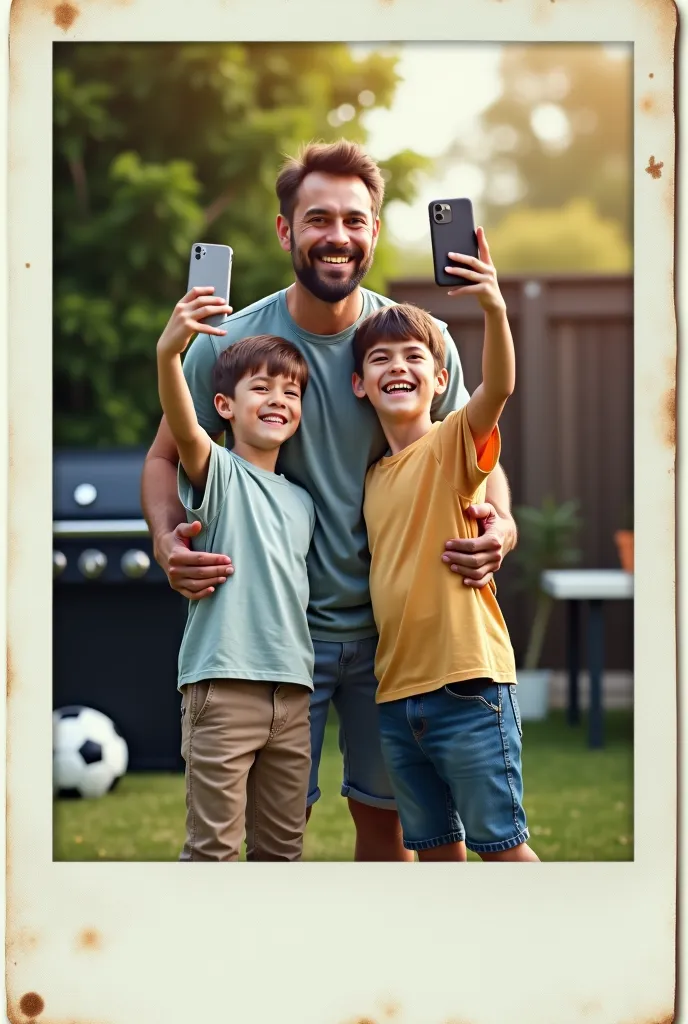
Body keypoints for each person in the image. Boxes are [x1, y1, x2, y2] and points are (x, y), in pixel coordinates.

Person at [141, 139, 519, 862]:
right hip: (276, 641)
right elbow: (165, 458)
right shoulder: (230, 340)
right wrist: (167, 538)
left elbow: (472, 454)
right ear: (287, 231)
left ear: (374, 231)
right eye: (318, 219)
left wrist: (498, 523)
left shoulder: (412, 341)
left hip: (393, 636)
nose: (337, 236)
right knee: (272, 834)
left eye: (354, 219)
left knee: (393, 827)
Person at [352, 252, 538, 861]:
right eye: (380, 358)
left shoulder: (451, 443)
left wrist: (493, 306)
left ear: (439, 380)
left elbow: (500, 386)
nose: (397, 367)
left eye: (414, 358)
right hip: (396, 696)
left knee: (503, 850)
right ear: (359, 384)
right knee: (434, 854)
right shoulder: (375, 475)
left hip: (467, 686)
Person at [157, 302, 315, 861]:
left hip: (292, 697)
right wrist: (168, 354)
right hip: (223, 690)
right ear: (225, 406)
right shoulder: (218, 472)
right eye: (262, 388)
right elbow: (182, 424)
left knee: (282, 854)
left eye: (291, 392)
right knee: (214, 854)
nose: (278, 399)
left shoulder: (303, 501)